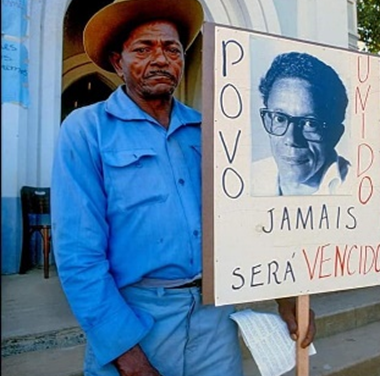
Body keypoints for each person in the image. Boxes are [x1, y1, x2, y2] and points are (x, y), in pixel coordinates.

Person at [51, 1, 316, 375]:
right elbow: (79, 256)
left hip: (215, 320)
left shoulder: (212, 131)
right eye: (143, 49)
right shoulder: (86, 130)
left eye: (172, 49)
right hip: (135, 319)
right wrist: (128, 356)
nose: (160, 59)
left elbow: (249, 222)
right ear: (117, 62)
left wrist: (286, 295)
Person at [251, 52, 350, 196]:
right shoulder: (248, 179)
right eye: (280, 118)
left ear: (336, 134)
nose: (291, 139)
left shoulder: (356, 187)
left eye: (310, 123)